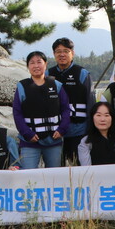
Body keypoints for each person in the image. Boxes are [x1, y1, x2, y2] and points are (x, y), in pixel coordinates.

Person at [13, 51, 70, 169]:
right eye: (32, 63)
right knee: (28, 177)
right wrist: (27, 133)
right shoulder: (22, 87)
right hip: (30, 142)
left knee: (54, 177)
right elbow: (17, 113)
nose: (36, 66)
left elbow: (65, 109)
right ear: (28, 66)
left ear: (45, 64)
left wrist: (62, 129)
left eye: (39, 62)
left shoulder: (57, 85)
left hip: (54, 140)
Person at [47, 37, 94, 165]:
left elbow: (91, 103)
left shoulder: (82, 73)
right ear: (54, 54)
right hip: (55, 133)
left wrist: (91, 131)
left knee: (79, 168)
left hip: (78, 131)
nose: (62, 54)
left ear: (72, 53)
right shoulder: (47, 74)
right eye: (58, 51)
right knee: (56, 170)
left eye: (66, 51)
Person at [78, 101, 115, 166]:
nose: (102, 119)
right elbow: (87, 170)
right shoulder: (86, 142)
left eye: (106, 115)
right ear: (92, 118)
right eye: (98, 115)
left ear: (112, 118)